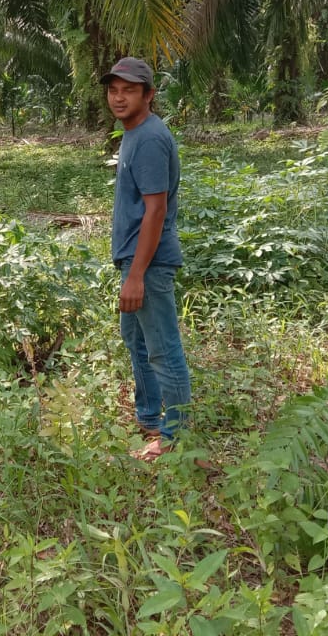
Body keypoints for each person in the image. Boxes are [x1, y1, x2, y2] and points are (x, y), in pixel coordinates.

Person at [101, 57, 191, 461]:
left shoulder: (151, 138)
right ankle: (150, 417)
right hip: (135, 260)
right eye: (113, 89)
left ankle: (176, 439)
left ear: (149, 95)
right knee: (135, 340)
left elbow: (156, 211)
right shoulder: (133, 134)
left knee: (162, 348)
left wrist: (136, 274)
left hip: (148, 263)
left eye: (129, 90)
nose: (119, 98)